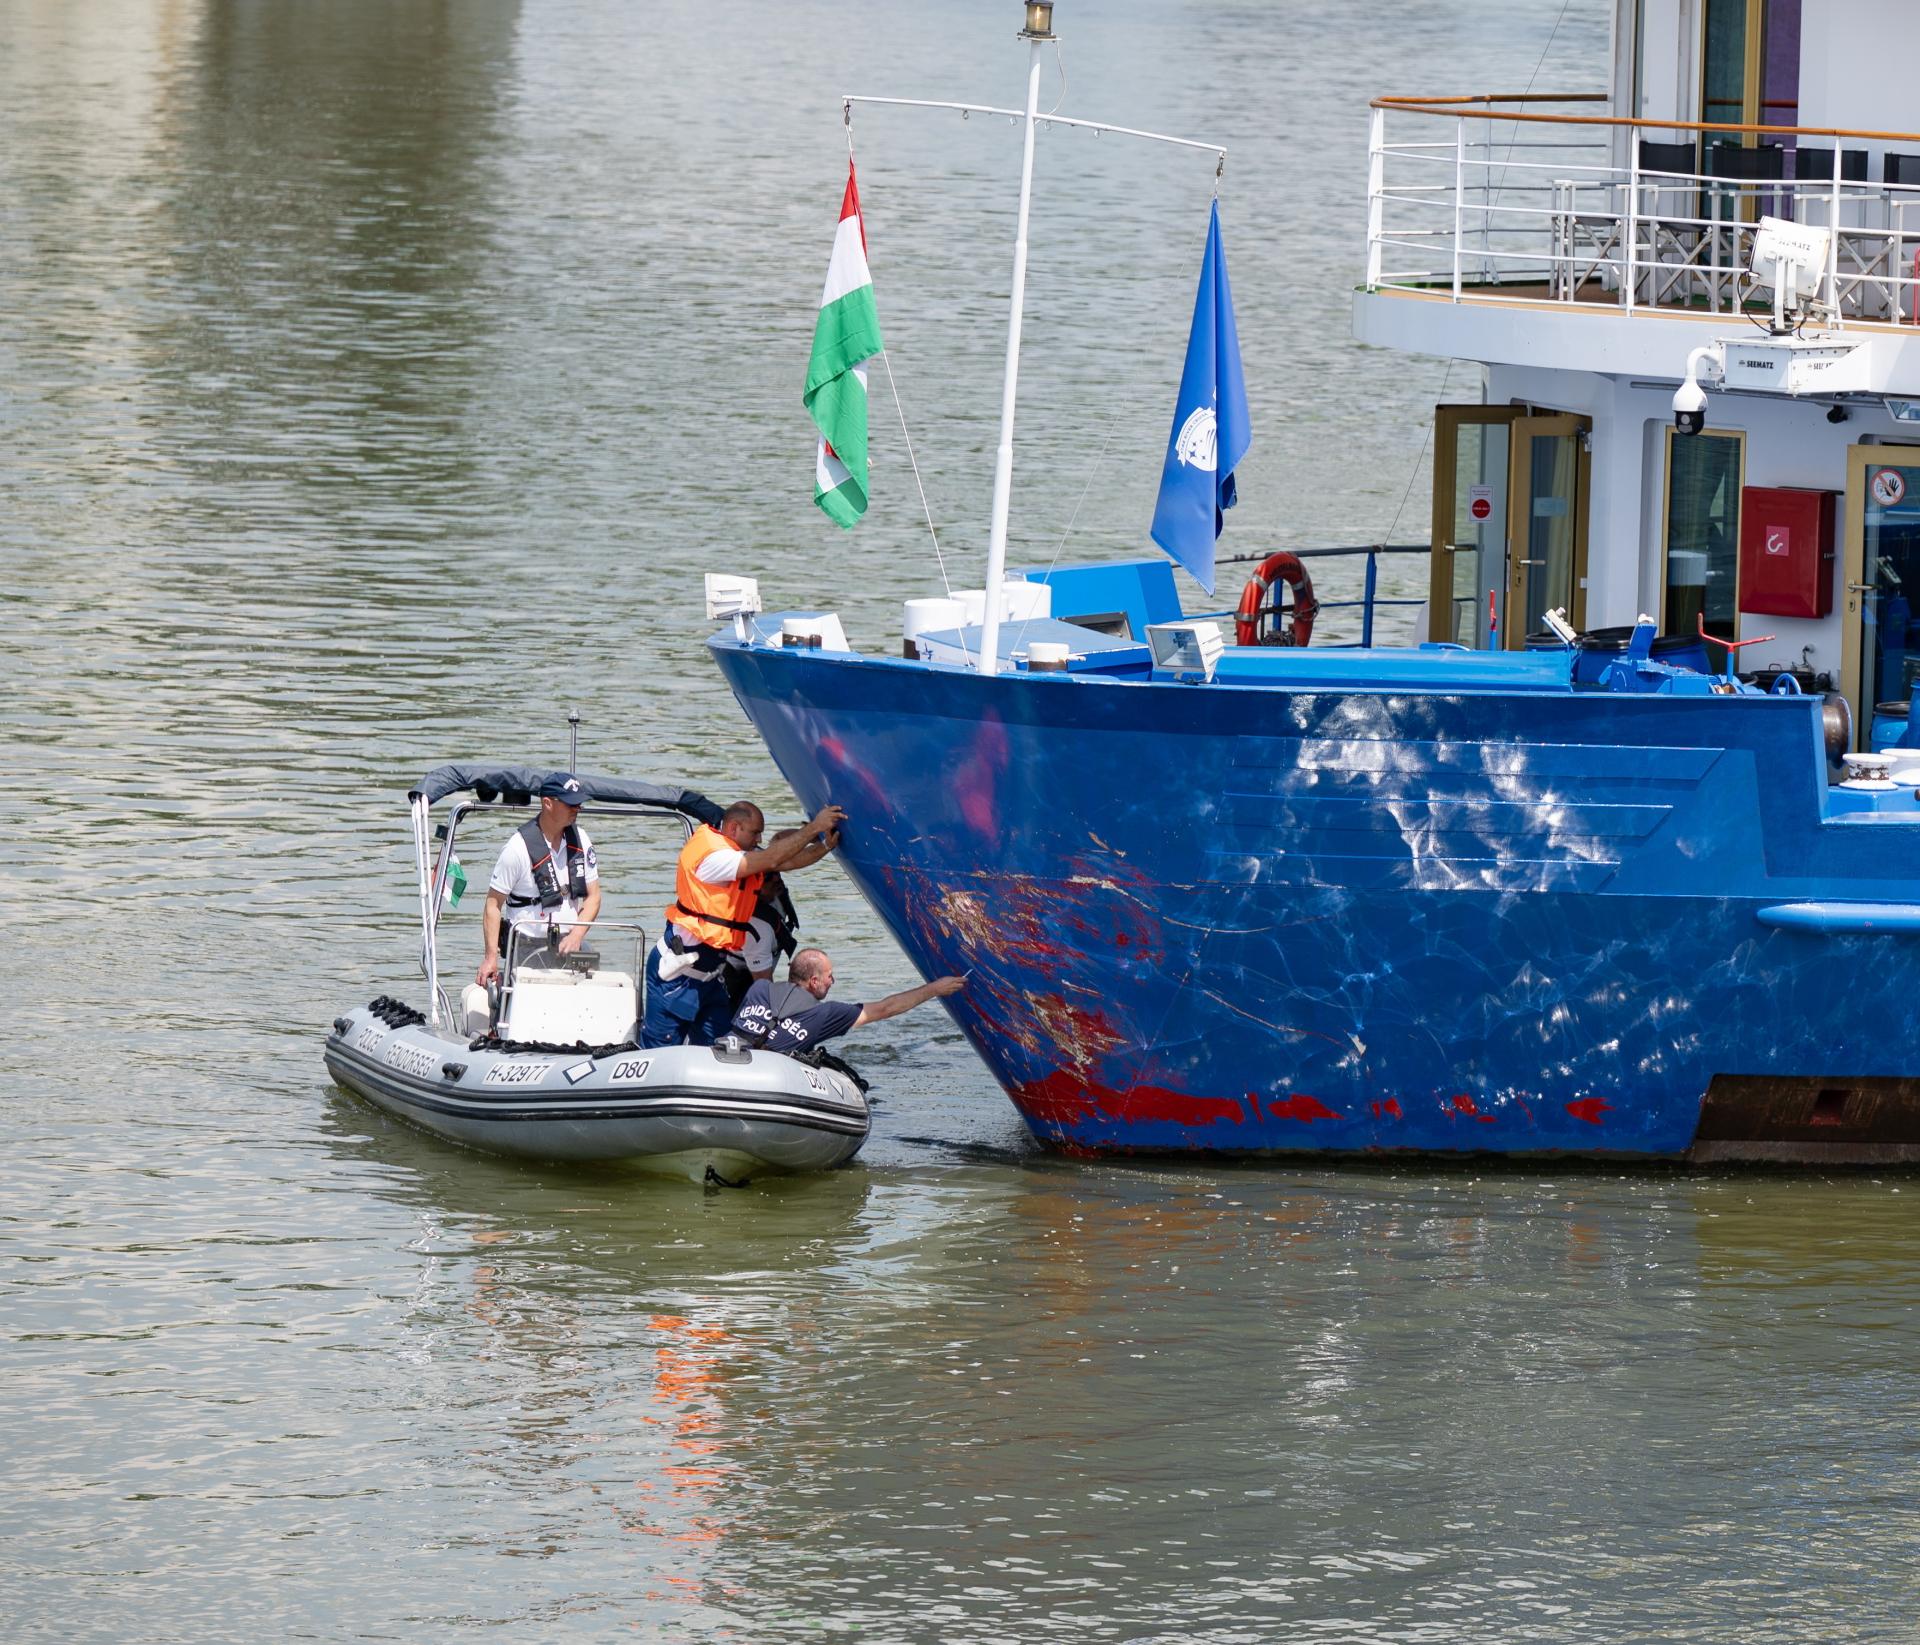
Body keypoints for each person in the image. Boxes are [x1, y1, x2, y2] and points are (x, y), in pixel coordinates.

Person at [641, 799, 847, 1049]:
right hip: (675, 978)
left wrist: (826, 845)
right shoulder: (715, 859)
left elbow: (786, 861)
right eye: (755, 832)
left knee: (723, 1047)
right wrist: (815, 827)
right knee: (660, 1050)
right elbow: (771, 859)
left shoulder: (737, 851)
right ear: (733, 827)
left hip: (710, 977)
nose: (759, 839)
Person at [477, 772, 600, 987]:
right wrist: (490, 958)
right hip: (527, 946)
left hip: (571, 942)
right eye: (570, 804)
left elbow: (594, 896)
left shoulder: (581, 840)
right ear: (548, 803)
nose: (577, 809)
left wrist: (577, 934)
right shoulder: (517, 849)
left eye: (579, 804)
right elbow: (493, 905)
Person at [731, 947, 965, 1054]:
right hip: (771, 1076)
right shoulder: (826, 1014)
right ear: (814, 981)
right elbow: (886, 1008)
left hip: (726, 1063)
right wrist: (935, 988)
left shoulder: (759, 989)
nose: (833, 981)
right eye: (829, 976)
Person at [722, 828, 834, 1010]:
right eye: (768, 878)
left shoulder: (759, 864)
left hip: (764, 959)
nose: (776, 878)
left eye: (776, 872)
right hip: (740, 979)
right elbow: (762, 984)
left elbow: (778, 842)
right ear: (753, 887)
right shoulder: (756, 928)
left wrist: (813, 834)